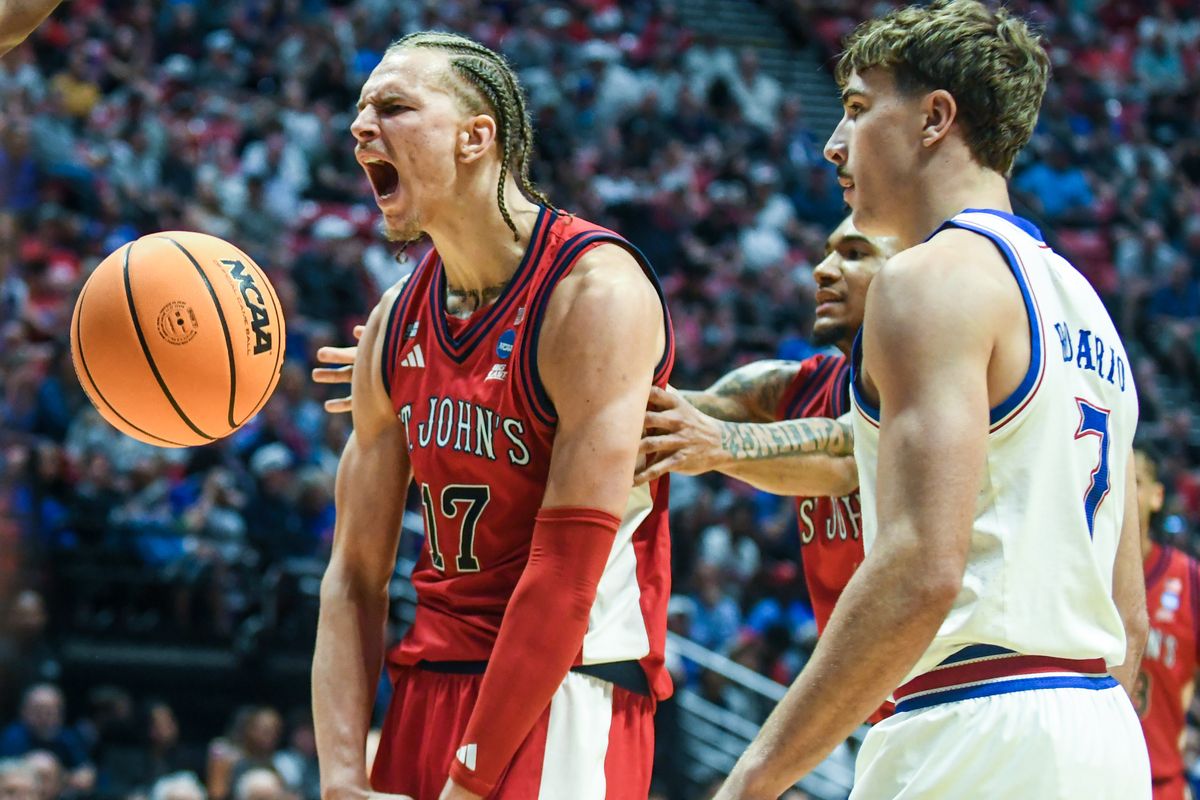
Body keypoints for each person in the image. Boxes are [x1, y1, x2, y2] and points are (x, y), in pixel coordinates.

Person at [716, 2, 1149, 798]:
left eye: (856, 108)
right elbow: (1131, 618)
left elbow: (921, 567)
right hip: (1101, 730)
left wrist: (752, 779)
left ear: (934, 118)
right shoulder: (1086, 306)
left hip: (974, 719)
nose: (832, 144)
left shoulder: (927, 277)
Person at [312, 31, 673, 800]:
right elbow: (353, 578)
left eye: (395, 106)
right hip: (427, 684)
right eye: (359, 112)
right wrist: (341, 775)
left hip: (563, 688)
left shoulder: (593, 295)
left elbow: (564, 575)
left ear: (478, 137)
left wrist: (470, 786)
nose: (360, 128)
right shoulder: (394, 322)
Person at [635, 216, 896, 644]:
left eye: (854, 253)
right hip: (888, 690)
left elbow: (848, 454)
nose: (823, 269)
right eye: (828, 251)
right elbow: (669, 414)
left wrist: (718, 444)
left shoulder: (931, 387)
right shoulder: (796, 385)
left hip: (972, 679)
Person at [1133, 447, 1200, 800]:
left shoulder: (1188, 578)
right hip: (1087, 777)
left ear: (1157, 496)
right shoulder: (1078, 572)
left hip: (1162, 783)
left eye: (1137, 482)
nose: (1126, 491)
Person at [0, 686, 94, 794]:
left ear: (60, 714)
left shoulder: (67, 737)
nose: (43, 716)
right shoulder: (12, 737)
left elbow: (86, 773)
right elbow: (11, 776)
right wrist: (64, 777)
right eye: (38, 710)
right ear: (24, 711)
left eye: (50, 711)